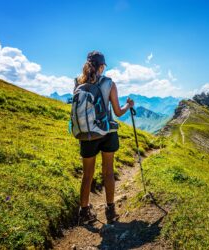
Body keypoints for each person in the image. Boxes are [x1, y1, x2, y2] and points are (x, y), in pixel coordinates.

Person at [74, 51, 134, 224]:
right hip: (107, 132)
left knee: (87, 175)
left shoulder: (78, 82)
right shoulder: (109, 83)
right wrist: (128, 105)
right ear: (102, 66)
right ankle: (110, 211)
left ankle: (84, 213)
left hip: (86, 134)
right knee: (108, 171)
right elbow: (117, 112)